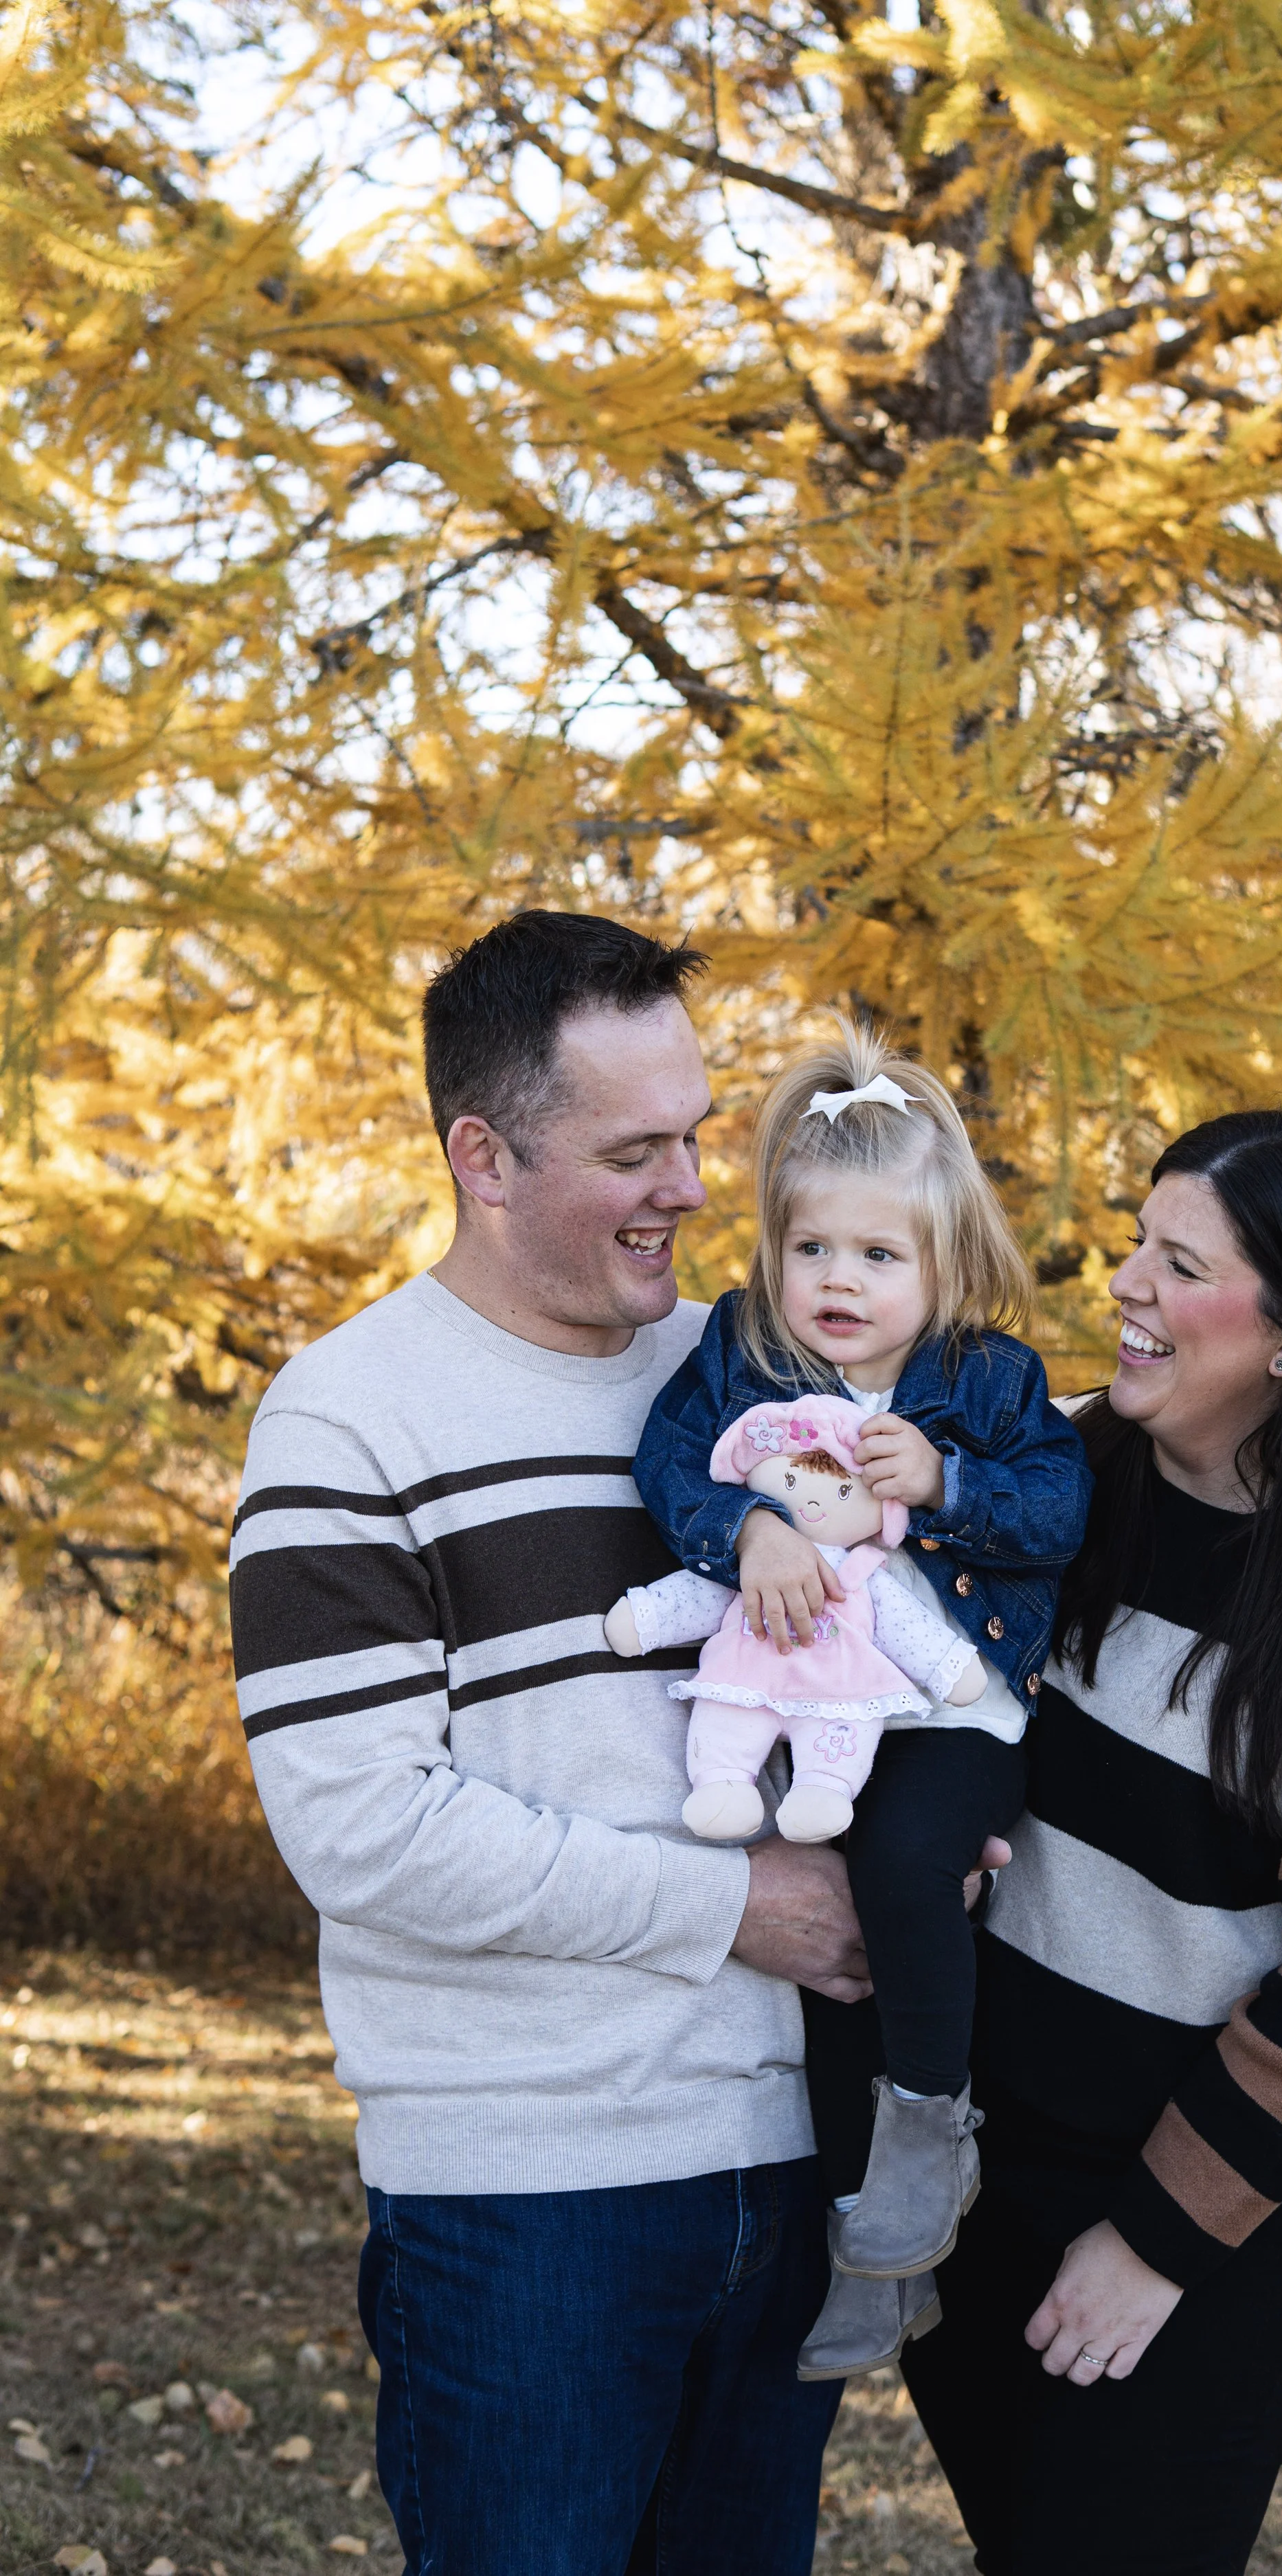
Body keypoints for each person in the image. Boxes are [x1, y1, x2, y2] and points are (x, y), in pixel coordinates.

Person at [227, 912, 877, 2576]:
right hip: (530, 2202)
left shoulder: (750, 1376)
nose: (686, 1186)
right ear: (483, 1156)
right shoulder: (350, 1418)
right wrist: (733, 1908)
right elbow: (367, 1829)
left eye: (696, 1137)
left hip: (782, 2158)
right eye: (633, 1150)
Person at [899, 1107, 1282, 2575]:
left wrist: (1154, 2239)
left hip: (1193, 2219)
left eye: (1178, 1263)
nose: (1123, 1286)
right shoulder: (1064, 1481)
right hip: (974, 2180)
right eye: (1131, 1245)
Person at [628, 1024, 1091, 2381]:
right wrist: (743, 1532)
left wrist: (947, 1484)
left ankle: (927, 2131)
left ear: (941, 1268)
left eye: (877, 1256)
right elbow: (669, 1465)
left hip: (950, 1708)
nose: (838, 1281)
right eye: (810, 1249)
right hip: (805, 1703)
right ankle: (873, 2254)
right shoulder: (742, 1350)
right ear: (773, 1249)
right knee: (821, 1948)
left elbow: (1058, 1508)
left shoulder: (986, 1380)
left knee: (901, 1874)